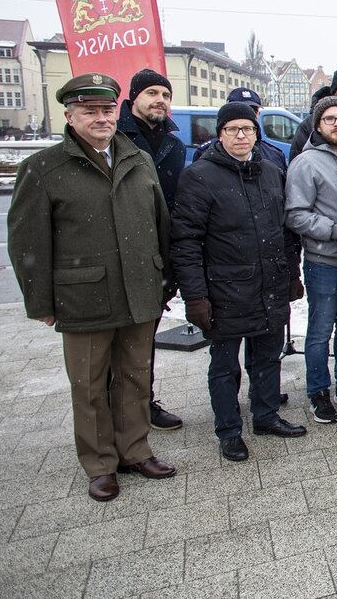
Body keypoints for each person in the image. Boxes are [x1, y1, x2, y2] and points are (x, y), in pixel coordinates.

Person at [9, 73, 176, 501]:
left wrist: (164, 278)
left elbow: (161, 225)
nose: (100, 118)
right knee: (88, 385)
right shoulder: (44, 168)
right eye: (89, 111)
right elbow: (28, 242)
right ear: (70, 115)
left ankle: (135, 450)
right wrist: (40, 301)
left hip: (139, 291)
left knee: (135, 378)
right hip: (83, 296)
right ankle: (100, 464)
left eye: (106, 110)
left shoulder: (137, 158)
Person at [171, 102, 308, 462]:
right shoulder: (199, 177)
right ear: (220, 134)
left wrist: (292, 274)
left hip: (269, 285)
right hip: (225, 290)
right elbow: (185, 243)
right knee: (225, 366)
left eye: (247, 129)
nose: (241, 136)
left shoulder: (269, 171)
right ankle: (229, 430)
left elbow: (286, 230)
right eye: (232, 129)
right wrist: (195, 297)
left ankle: (265, 416)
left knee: (267, 358)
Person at [285, 95, 337, 424]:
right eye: (330, 119)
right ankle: (318, 390)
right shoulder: (306, 163)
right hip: (324, 261)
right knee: (320, 331)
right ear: (318, 125)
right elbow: (296, 215)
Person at [116, 68, 185, 430]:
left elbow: (174, 203)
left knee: (145, 337)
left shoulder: (174, 143)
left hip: (159, 253)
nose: (160, 100)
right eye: (152, 93)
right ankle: (120, 408)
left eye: (165, 94)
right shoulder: (115, 138)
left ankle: (143, 401)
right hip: (123, 251)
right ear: (134, 98)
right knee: (118, 341)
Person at [193, 87, 288, 174]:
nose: (245, 114)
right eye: (238, 110)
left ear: (258, 113)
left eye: (252, 110)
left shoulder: (275, 155)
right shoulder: (205, 154)